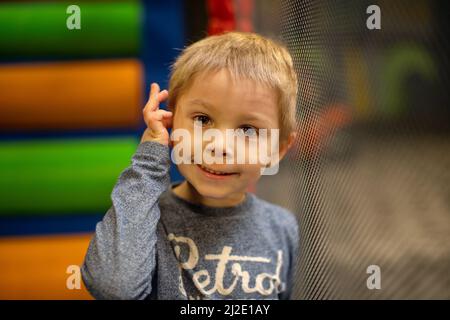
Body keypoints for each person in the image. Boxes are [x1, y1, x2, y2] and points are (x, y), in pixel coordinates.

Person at [81, 31, 299, 300]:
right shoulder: (147, 219)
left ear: (277, 149)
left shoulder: (282, 227)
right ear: (172, 123)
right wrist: (150, 157)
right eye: (203, 119)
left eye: (247, 129)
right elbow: (115, 287)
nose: (220, 146)